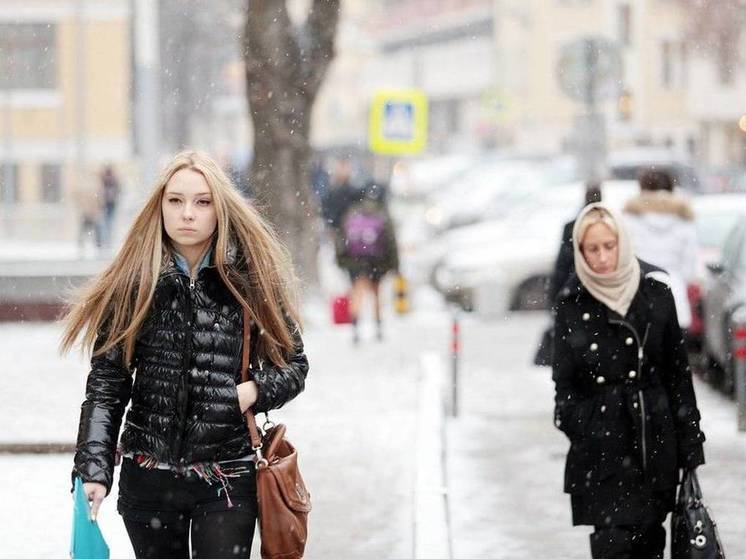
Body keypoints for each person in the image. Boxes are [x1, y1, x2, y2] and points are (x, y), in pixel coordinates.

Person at [60, 150, 309, 559]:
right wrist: (94, 468)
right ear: (159, 206)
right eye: (175, 201)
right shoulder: (135, 285)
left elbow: (295, 366)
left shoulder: (248, 282)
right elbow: (107, 386)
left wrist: (250, 392)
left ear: (220, 209)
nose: (187, 213)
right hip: (149, 478)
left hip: (226, 479)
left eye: (202, 201)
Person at [552, 203, 705, 559]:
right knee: (614, 547)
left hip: (655, 449)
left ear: (623, 243)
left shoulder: (655, 292)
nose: (602, 257)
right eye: (592, 249)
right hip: (601, 458)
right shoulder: (571, 305)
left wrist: (690, 447)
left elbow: (678, 376)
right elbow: (565, 387)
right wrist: (589, 424)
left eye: (610, 246)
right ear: (580, 251)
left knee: (651, 542)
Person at [534, 183, 603, 366]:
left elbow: (561, 267)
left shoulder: (573, 227)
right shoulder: (607, 226)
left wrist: (554, 298)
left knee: (578, 343)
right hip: (599, 292)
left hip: (577, 293)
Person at [623, 168, 697, 330]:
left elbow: (625, 258)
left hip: (637, 293)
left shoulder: (629, 219)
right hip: (675, 294)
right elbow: (690, 267)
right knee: (672, 349)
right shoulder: (684, 220)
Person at [336, 184, 399, 343]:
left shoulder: (351, 214)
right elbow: (391, 242)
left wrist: (343, 261)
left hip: (355, 263)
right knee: (376, 294)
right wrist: (394, 265)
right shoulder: (382, 215)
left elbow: (341, 241)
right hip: (376, 262)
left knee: (357, 294)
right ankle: (378, 328)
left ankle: (356, 329)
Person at [100, 165, 121, 247]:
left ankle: (109, 239)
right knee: (106, 222)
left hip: (111, 204)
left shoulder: (113, 181)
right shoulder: (104, 181)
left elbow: (119, 191)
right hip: (105, 204)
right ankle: (106, 239)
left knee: (110, 221)